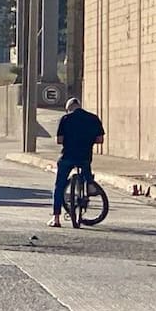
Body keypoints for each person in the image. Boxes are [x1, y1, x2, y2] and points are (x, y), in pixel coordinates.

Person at [49, 97, 106, 227]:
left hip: (68, 156)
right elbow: (100, 139)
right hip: (85, 156)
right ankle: (89, 184)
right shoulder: (93, 118)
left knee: (59, 185)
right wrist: (87, 140)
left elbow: (59, 140)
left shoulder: (66, 119)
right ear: (79, 106)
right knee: (86, 170)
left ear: (69, 108)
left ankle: (56, 218)